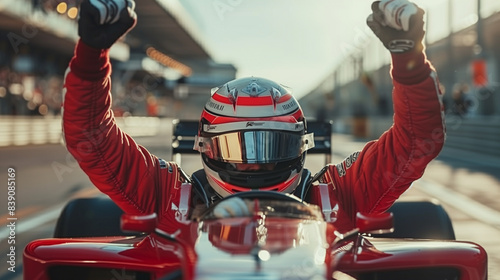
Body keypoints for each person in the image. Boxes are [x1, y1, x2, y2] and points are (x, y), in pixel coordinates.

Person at [63, 0, 445, 234]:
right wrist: (91, 56)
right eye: (238, 147)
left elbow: (416, 141)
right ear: (205, 147)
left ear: (300, 146)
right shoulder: (170, 197)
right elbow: (92, 137)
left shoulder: (334, 197)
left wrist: (408, 57)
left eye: (270, 145)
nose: (254, 163)